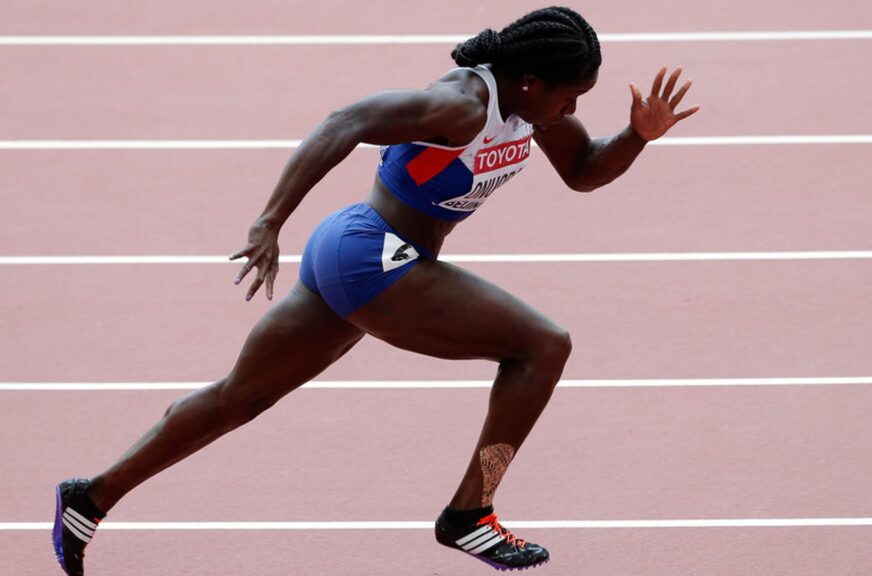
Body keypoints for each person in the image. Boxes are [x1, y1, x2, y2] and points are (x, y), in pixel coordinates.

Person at [51, 6, 698, 574]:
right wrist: (271, 218)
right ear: (532, 81)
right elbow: (346, 120)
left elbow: (585, 172)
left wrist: (639, 136)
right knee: (543, 347)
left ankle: (90, 497)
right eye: (572, 96)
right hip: (374, 258)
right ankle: (471, 511)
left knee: (238, 400)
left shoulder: (534, 110)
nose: (574, 110)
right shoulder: (462, 104)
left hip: (362, 253)